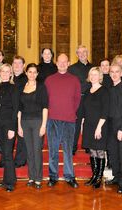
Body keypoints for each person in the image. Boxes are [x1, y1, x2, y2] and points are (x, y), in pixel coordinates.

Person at [45, 53, 81, 188]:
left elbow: (77, 99)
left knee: (67, 150)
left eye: (65, 62)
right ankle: (53, 176)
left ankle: (70, 176)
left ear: (69, 63)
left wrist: (70, 111)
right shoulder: (49, 80)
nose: (62, 64)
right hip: (53, 119)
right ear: (56, 63)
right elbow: (45, 99)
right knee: (53, 150)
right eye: (60, 62)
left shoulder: (75, 80)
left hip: (69, 120)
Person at [18, 63, 48, 189]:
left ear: (37, 74)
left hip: (37, 121)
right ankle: (31, 177)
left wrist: (43, 125)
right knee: (29, 151)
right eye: (30, 71)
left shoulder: (41, 87)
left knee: (36, 150)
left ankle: (38, 178)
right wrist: (19, 126)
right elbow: (19, 108)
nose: (32, 74)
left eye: (34, 72)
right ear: (26, 73)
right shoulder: (22, 86)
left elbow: (45, 107)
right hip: (24, 121)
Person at [105, 64, 122, 194]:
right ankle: (116, 177)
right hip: (110, 125)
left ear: (121, 73)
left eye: (117, 72)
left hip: (121, 124)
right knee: (113, 152)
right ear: (109, 73)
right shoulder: (109, 88)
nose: (114, 74)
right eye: (112, 72)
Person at [81, 67, 109, 189]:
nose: (93, 76)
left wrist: (99, 127)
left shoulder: (104, 91)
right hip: (88, 125)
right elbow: (83, 110)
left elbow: (105, 111)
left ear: (100, 76)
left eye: (95, 74)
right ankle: (94, 176)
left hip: (100, 125)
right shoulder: (87, 91)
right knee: (92, 151)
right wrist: (82, 124)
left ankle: (99, 178)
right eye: (91, 74)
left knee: (100, 151)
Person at [0, 64, 18, 192]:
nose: (5, 73)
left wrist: (12, 128)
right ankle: (5, 180)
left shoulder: (14, 88)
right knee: (5, 153)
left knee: (8, 153)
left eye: (8, 71)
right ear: (0, 73)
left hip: (9, 125)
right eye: (3, 71)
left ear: (11, 74)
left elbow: (15, 109)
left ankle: (10, 182)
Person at [68, 45, 93, 155]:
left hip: (90, 99)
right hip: (77, 99)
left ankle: (88, 146)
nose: (82, 54)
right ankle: (73, 147)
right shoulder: (71, 69)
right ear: (77, 54)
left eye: (84, 52)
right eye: (79, 52)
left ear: (87, 53)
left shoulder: (93, 68)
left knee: (89, 123)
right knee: (76, 123)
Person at [12, 55, 28, 168]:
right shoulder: (8, 78)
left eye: (19, 63)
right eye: (15, 63)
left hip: (23, 111)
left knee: (21, 137)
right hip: (10, 112)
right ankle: (6, 159)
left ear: (23, 66)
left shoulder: (26, 80)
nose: (17, 65)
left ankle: (20, 160)